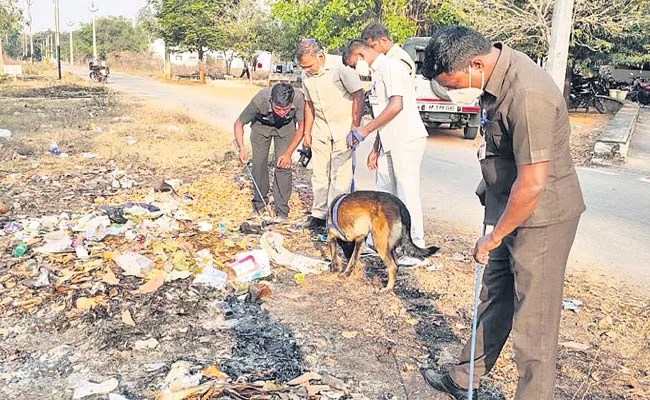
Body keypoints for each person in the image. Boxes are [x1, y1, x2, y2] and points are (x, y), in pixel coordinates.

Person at [419, 26, 585, 400]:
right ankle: (466, 379)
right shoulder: (493, 78)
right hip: (507, 205)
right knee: (494, 296)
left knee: (534, 322)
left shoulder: (528, 94)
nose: (453, 91)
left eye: (453, 83)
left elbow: (533, 183)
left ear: (475, 63)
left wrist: (493, 236)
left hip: (541, 218)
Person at [342, 39, 428, 264]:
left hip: (406, 139)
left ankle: (415, 246)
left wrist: (365, 130)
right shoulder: (377, 73)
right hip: (388, 141)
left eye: (353, 65)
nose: (354, 70)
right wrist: (375, 147)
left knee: (406, 192)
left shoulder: (391, 67)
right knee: (383, 192)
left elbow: (396, 106)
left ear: (361, 55)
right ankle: (381, 241)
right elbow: (383, 111)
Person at [297, 39, 365, 231]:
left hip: (343, 129)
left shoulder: (340, 67)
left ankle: (336, 217)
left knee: (340, 176)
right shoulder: (305, 75)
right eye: (303, 67)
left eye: (309, 65)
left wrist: (355, 127)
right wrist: (307, 133)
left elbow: (358, 95)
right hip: (320, 129)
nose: (307, 70)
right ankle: (318, 215)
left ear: (320, 56)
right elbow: (308, 104)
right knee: (319, 174)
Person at [234, 83, 305, 220]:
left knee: (283, 165)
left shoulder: (298, 98)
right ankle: (260, 204)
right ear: (271, 101)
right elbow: (239, 123)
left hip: (286, 128)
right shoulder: (260, 99)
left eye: (286, 109)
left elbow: (302, 127)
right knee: (259, 164)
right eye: (278, 109)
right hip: (261, 127)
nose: (282, 113)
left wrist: (288, 154)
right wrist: (242, 148)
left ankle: (282, 210)